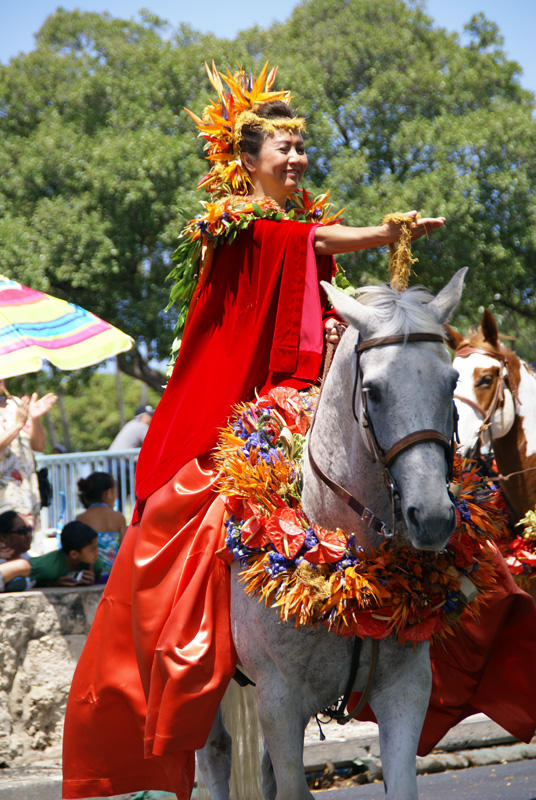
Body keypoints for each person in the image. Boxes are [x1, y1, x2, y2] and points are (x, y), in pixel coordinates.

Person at [62, 64, 533, 800]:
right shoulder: (241, 223)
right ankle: (194, 662)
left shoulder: (295, 222)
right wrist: (381, 231)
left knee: (425, 474)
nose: (295, 158)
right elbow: (304, 244)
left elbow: (313, 246)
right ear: (247, 160)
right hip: (244, 406)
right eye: (281, 148)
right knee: (175, 522)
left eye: (299, 147)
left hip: (316, 394)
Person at [0, 381, 57, 528]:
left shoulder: (16, 404)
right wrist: (18, 425)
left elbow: (39, 445)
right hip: (4, 499)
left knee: (29, 545)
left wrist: (35, 418)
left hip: (28, 493)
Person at [0, 520, 103, 590]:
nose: (97, 552)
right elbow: (22, 566)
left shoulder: (96, 564)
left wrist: (91, 580)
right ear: (74, 554)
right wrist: (53, 583)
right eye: (93, 549)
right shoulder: (48, 565)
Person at [76, 472, 127, 582]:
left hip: (91, 576)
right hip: (115, 577)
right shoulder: (118, 518)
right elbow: (125, 550)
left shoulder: (81, 518)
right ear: (108, 493)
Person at [0, 510, 35, 591]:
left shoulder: (30, 558)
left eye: (30, 529)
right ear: (4, 537)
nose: (29, 535)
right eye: (22, 531)